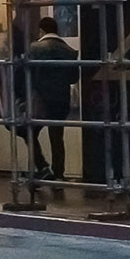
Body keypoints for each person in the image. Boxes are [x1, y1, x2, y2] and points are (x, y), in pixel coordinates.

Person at [25, 17, 79, 182]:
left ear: (41, 31)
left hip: (40, 99)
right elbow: (73, 78)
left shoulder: (34, 48)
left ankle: (42, 166)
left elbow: (29, 76)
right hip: (61, 100)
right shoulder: (70, 51)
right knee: (57, 137)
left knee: (29, 133)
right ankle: (59, 175)